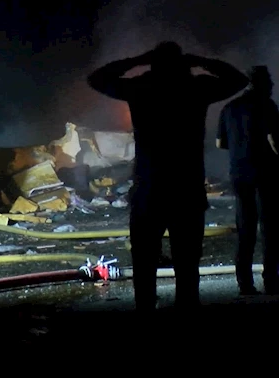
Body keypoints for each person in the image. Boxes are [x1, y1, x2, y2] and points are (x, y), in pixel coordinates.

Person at [87, 42, 249, 312]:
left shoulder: (141, 88)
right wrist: (200, 60)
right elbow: (238, 79)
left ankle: (146, 314)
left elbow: (97, 79)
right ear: (184, 64)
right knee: (187, 265)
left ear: (153, 63)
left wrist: (137, 58)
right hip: (186, 189)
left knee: (144, 265)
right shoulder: (196, 89)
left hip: (148, 189)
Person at [216, 65, 279, 295]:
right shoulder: (267, 105)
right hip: (265, 174)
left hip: (239, 174)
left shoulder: (229, 108)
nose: (272, 86)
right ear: (260, 82)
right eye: (269, 81)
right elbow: (274, 139)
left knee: (245, 229)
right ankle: (271, 281)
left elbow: (220, 144)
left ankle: (245, 283)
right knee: (270, 229)